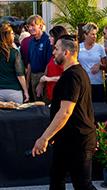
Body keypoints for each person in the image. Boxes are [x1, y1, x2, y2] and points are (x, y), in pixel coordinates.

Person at [32, 36, 97, 190]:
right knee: (56, 178)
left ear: (66, 53)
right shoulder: (73, 73)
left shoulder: (73, 75)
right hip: (66, 138)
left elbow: (65, 112)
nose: (53, 52)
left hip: (78, 140)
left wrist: (44, 138)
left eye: (56, 49)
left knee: (83, 185)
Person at [0, 24, 28, 103]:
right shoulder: (14, 53)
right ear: (7, 36)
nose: (13, 36)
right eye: (12, 34)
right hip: (14, 90)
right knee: (15, 114)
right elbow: (20, 75)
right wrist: (26, 91)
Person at [38, 25, 69, 103]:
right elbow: (49, 66)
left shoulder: (63, 55)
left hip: (61, 93)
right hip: (51, 92)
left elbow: (65, 76)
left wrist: (49, 79)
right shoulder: (53, 52)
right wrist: (41, 82)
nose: (49, 38)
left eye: (51, 36)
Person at [77, 22, 107, 103]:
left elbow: (106, 66)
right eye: (92, 34)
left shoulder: (100, 48)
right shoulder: (79, 47)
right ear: (85, 35)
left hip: (97, 84)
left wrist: (99, 65)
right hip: (83, 83)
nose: (95, 37)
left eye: (96, 34)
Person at [26, 15, 51, 102]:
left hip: (44, 76)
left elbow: (49, 63)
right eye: (29, 26)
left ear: (40, 26)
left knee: (45, 104)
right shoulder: (31, 42)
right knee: (36, 105)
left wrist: (42, 83)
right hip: (33, 76)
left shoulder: (47, 40)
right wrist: (27, 83)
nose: (30, 28)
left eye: (33, 25)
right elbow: (29, 63)